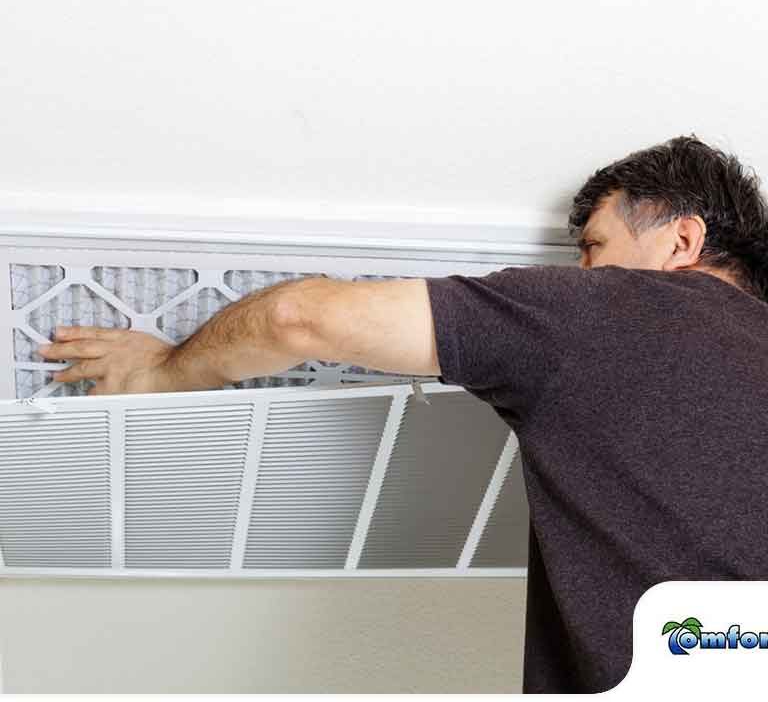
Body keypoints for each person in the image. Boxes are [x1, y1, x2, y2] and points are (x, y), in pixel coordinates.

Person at [36, 135, 768, 693]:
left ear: (683, 239)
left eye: (593, 249)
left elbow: (298, 318)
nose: (583, 275)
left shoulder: (609, 314)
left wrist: (165, 369)